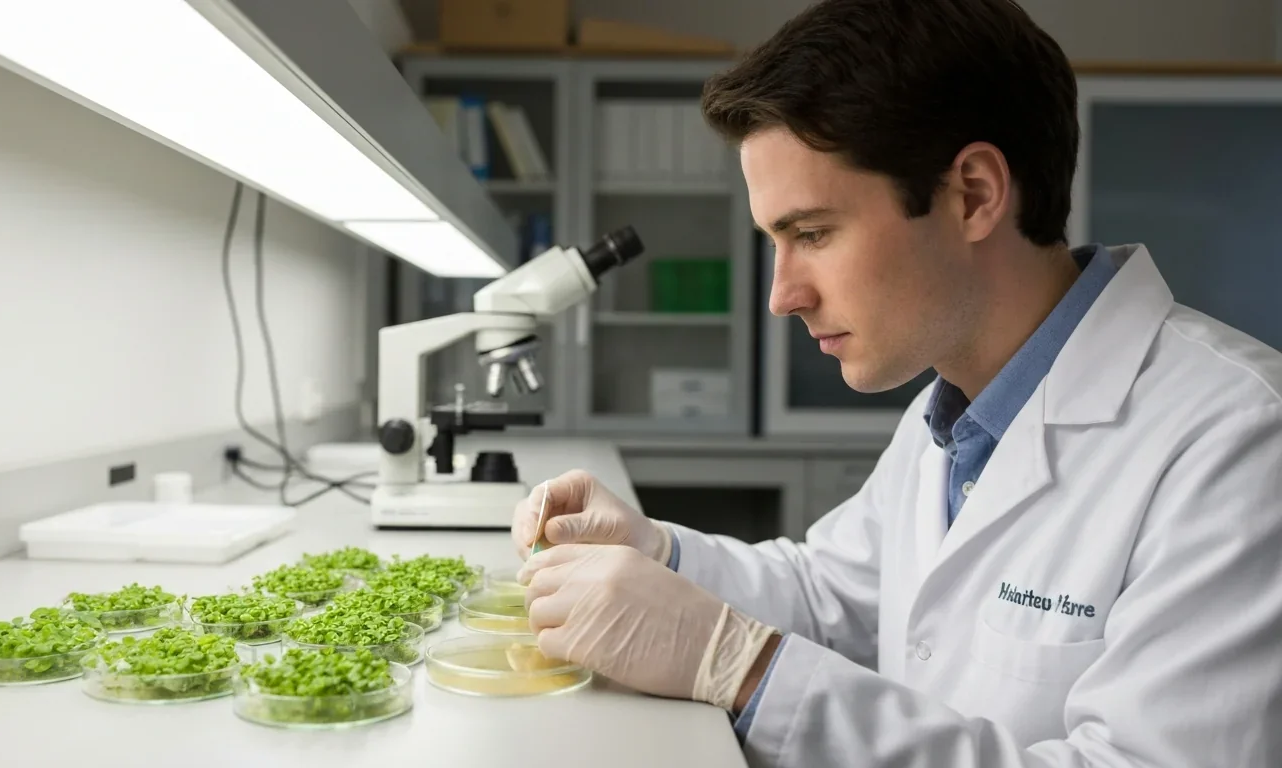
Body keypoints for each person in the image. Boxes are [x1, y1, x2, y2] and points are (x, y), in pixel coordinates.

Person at [511, 0, 1282, 766]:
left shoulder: (1237, 438)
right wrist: (658, 550)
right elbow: (833, 596)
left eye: (811, 233)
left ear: (974, 194)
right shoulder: (951, 411)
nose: (782, 295)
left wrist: (742, 673)